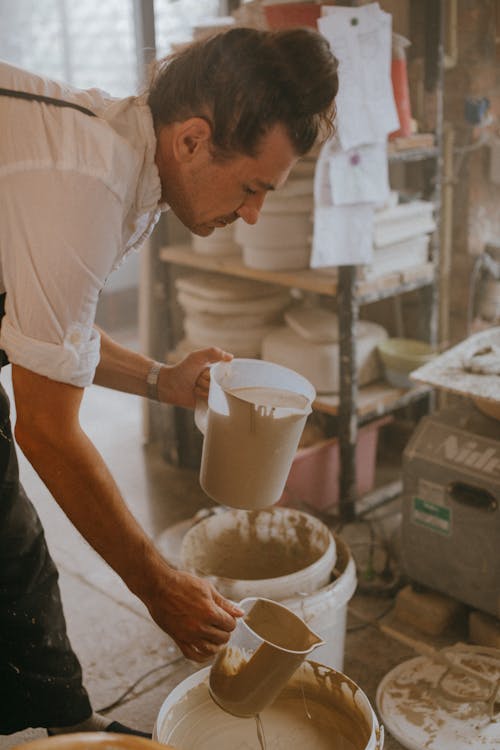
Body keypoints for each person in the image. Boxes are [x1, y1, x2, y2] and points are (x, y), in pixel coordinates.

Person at [0, 26, 338, 736]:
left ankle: (56, 724)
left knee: (13, 579)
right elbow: (47, 430)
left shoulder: (128, 164)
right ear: (191, 140)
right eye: (252, 188)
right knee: (13, 579)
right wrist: (159, 586)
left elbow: (48, 323)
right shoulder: (87, 183)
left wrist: (162, 381)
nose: (253, 214)